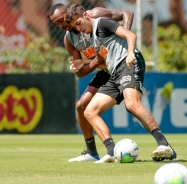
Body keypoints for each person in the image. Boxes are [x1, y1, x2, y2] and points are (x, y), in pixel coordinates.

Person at [66, 4, 177, 163]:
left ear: (86, 15)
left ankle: (164, 145)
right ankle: (111, 152)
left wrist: (130, 52)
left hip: (128, 64)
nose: (79, 29)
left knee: (131, 104)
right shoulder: (94, 36)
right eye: (74, 27)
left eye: (78, 23)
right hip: (114, 72)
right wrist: (82, 61)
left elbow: (130, 35)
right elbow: (104, 60)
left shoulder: (103, 23)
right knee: (89, 111)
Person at [49, 3, 134, 162]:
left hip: (120, 64)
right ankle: (91, 152)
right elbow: (80, 72)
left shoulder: (94, 15)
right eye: (56, 24)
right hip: (104, 69)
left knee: (132, 105)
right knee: (81, 106)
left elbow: (127, 12)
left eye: (61, 20)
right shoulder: (69, 39)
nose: (60, 25)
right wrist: (96, 61)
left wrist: (124, 39)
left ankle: (161, 142)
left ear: (68, 13)